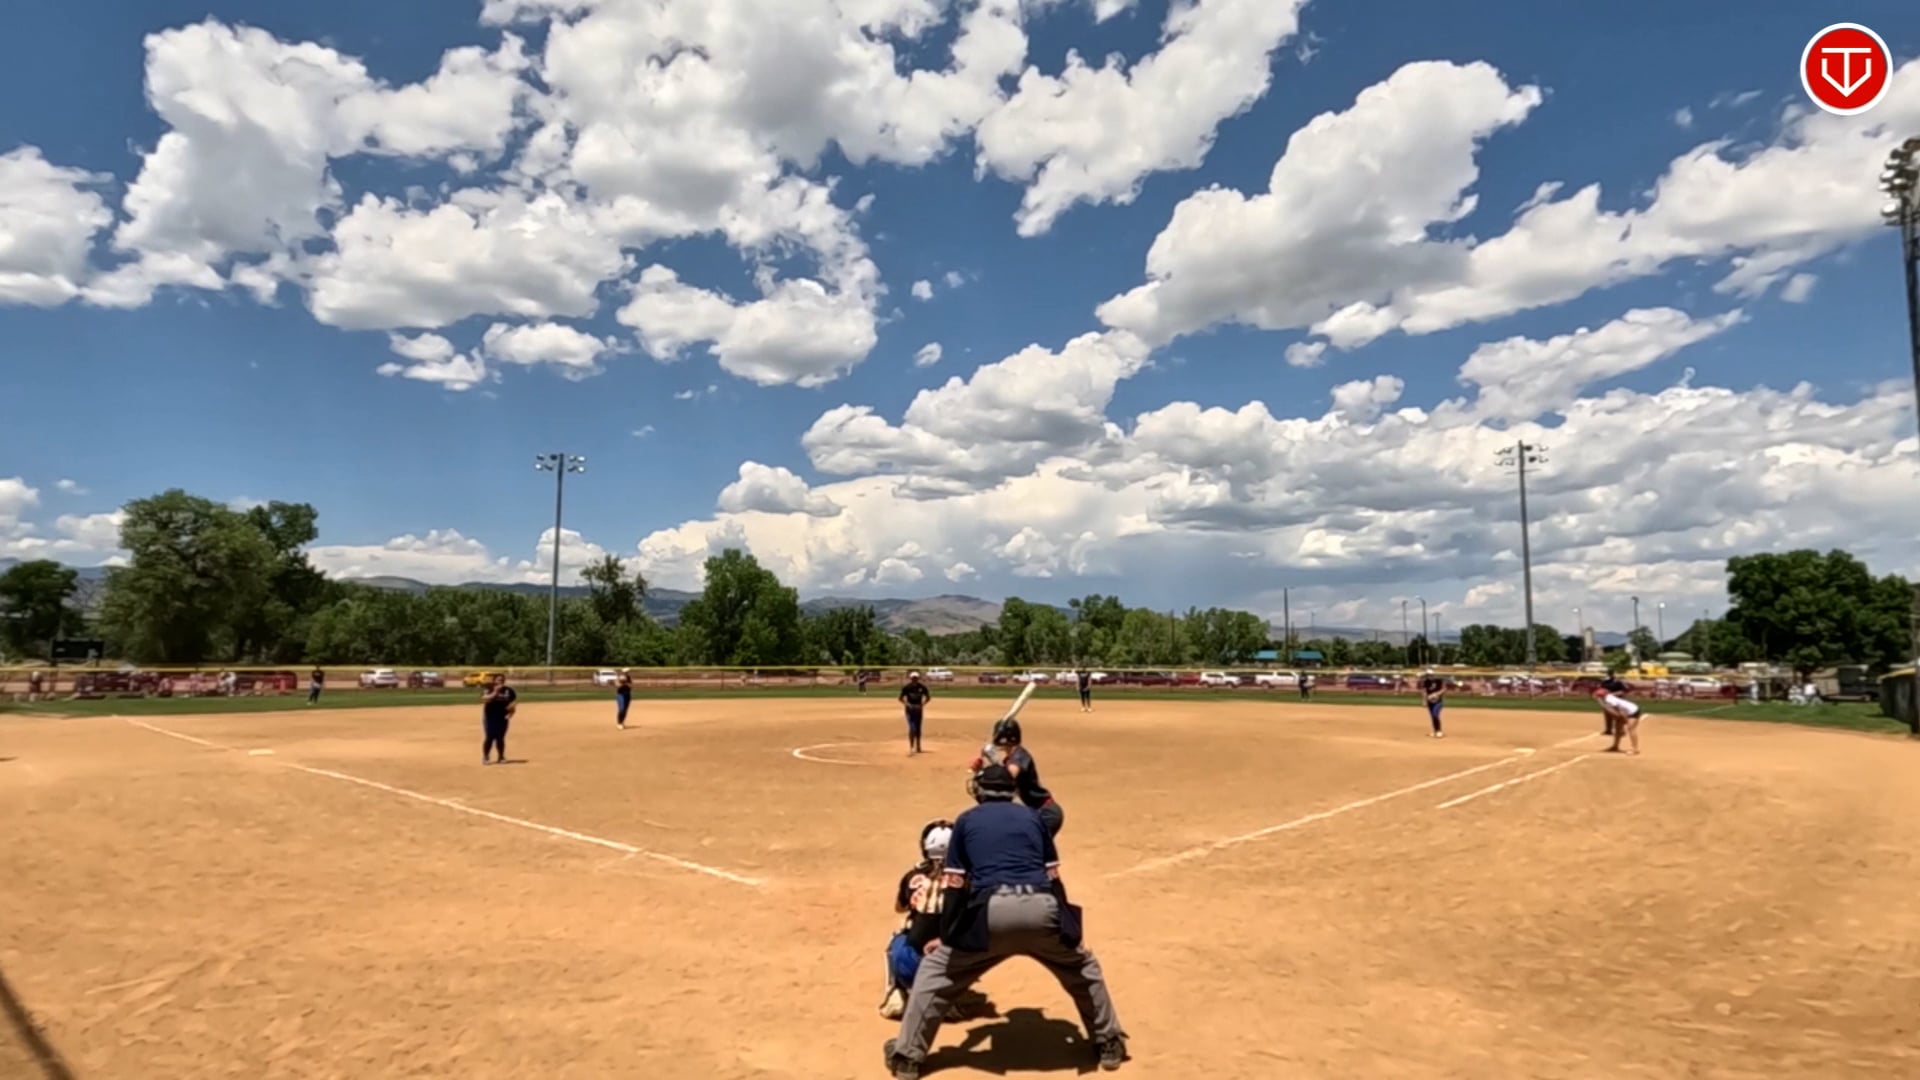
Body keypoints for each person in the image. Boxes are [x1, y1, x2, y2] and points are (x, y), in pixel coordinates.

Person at [883, 764, 1127, 1079]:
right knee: (1083, 969)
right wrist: (1068, 927)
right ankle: (1109, 1042)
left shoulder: (967, 820)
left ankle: (907, 1057)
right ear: (1011, 792)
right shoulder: (1034, 818)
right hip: (1041, 909)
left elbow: (955, 888)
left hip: (991, 916)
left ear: (980, 791)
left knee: (934, 973)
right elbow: (1054, 879)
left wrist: (948, 936)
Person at [880, 819, 957, 1020]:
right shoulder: (966, 877)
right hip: (950, 963)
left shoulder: (913, 876)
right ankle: (950, 999)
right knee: (965, 938)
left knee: (895, 940)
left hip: (912, 965)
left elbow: (900, 907)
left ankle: (896, 994)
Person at [973, 718, 1063, 837]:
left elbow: (1009, 775)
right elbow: (1001, 777)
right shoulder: (1010, 759)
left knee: (1032, 845)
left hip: (1046, 812)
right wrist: (981, 770)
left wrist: (993, 757)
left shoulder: (1020, 755)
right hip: (1036, 812)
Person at [1594, 688, 1643, 755]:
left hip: (1633, 711)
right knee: (1617, 728)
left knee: (1631, 728)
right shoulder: (1606, 699)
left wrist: (1625, 720)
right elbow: (1615, 712)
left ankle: (1635, 749)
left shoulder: (1610, 700)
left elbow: (1620, 711)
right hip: (1625, 711)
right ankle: (1615, 746)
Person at [482, 673, 517, 764]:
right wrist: (496, 692)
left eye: (502, 680)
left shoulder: (509, 690)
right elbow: (485, 699)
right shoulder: (488, 688)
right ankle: (486, 757)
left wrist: (511, 713)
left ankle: (501, 757)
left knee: (500, 738)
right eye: (499, 679)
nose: (501, 681)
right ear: (494, 680)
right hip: (490, 717)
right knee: (490, 737)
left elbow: (512, 703)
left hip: (502, 717)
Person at [899, 672, 932, 756]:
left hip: (918, 709)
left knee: (918, 728)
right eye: (913, 678)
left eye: (916, 678)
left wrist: (922, 705)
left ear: (918, 678)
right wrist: (907, 704)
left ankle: (918, 746)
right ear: (910, 678)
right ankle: (911, 747)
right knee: (912, 728)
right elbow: (900, 698)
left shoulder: (922, 687)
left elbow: (928, 697)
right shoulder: (907, 687)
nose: (914, 679)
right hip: (910, 710)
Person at [1420, 670, 1446, 738]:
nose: (1428, 676)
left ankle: (1439, 731)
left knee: (1435, 715)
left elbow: (1444, 689)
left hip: (1438, 701)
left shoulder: (1439, 681)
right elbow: (1424, 692)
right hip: (1430, 702)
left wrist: (1436, 694)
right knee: (1433, 717)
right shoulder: (1426, 682)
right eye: (1427, 675)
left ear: (1433, 675)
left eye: (1429, 675)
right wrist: (1424, 701)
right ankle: (1435, 731)